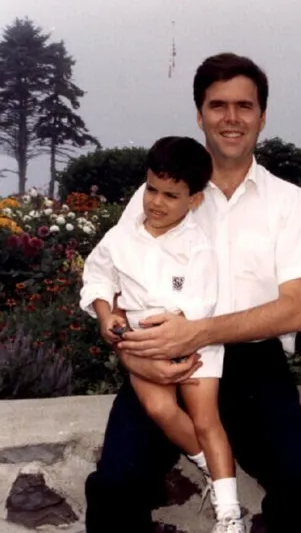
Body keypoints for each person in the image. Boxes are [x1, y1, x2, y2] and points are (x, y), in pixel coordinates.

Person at [83, 53, 301, 533]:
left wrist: (195, 333)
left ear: (263, 114)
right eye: (218, 105)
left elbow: (296, 311)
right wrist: (128, 349)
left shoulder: (290, 203)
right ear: (199, 114)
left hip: (255, 367)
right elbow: (112, 279)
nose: (231, 118)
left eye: (245, 105)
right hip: (162, 363)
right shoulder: (156, 194)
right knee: (116, 485)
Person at [80, 136, 245, 531]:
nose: (156, 202)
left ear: (194, 201)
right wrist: (105, 315)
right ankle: (210, 467)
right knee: (158, 408)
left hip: (195, 343)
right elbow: (98, 276)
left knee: (206, 419)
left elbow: (202, 301)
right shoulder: (121, 238)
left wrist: (179, 328)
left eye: (171, 195)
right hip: (141, 344)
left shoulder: (197, 247)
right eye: (151, 190)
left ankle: (229, 513)